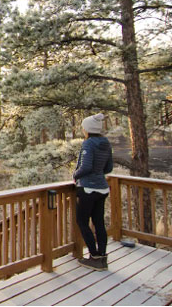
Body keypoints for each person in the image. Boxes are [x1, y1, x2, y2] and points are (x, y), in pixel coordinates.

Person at [73, 113, 113, 271]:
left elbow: (86, 167)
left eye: (83, 127)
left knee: (82, 221)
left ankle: (94, 257)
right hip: (102, 188)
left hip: (88, 189)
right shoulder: (105, 142)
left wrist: (74, 175)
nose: (83, 130)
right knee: (99, 222)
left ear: (87, 129)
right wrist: (98, 172)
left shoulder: (88, 144)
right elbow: (108, 168)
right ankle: (102, 257)